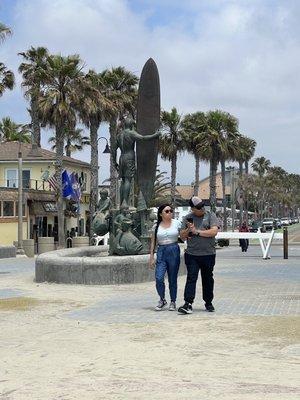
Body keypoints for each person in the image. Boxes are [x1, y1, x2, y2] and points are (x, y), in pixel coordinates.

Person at [178, 197, 219, 314]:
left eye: (202, 205)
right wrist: (188, 230)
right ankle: (188, 303)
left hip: (208, 254)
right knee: (191, 278)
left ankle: (208, 302)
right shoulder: (187, 218)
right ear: (192, 209)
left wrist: (197, 231)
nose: (202, 208)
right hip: (192, 254)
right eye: (199, 207)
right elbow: (182, 236)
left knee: (208, 279)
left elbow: (214, 232)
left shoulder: (210, 215)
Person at [112, 116, 160, 207]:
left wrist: (114, 162)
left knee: (123, 180)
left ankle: (122, 201)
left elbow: (113, 150)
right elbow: (142, 138)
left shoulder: (119, 135)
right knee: (128, 180)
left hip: (121, 157)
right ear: (130, 125)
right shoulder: (131, 133)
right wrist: (155, 135)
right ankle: (125, 202)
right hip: (129, 157)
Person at [149, 204, 181, 311]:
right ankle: (162, 299)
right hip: (161, 251)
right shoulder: (156, 226)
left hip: (173, 249)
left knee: (172, 278)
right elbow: (153, 242)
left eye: (171, 211)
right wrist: (151, 257)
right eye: (166, 211)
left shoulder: (177, 223)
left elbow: (184, 235)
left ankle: (173, 301)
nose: (169, 213)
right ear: (161, 214)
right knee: (159, 277)